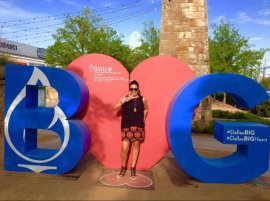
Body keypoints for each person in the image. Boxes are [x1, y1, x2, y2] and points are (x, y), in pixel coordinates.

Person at [113, 80, 148, 179]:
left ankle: (133, 168)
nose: (133, 91)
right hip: (126, 126)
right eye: (131, 89)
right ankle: (123, 167)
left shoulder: (143, 99)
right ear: (129, 89)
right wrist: (123, 101)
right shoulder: (125, 98)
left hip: (138, 126)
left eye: (135, 89)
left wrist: (143, 118)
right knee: (125, 148)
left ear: (138, 89)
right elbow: (114, 108)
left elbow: (146, 108)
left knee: (136, 146)